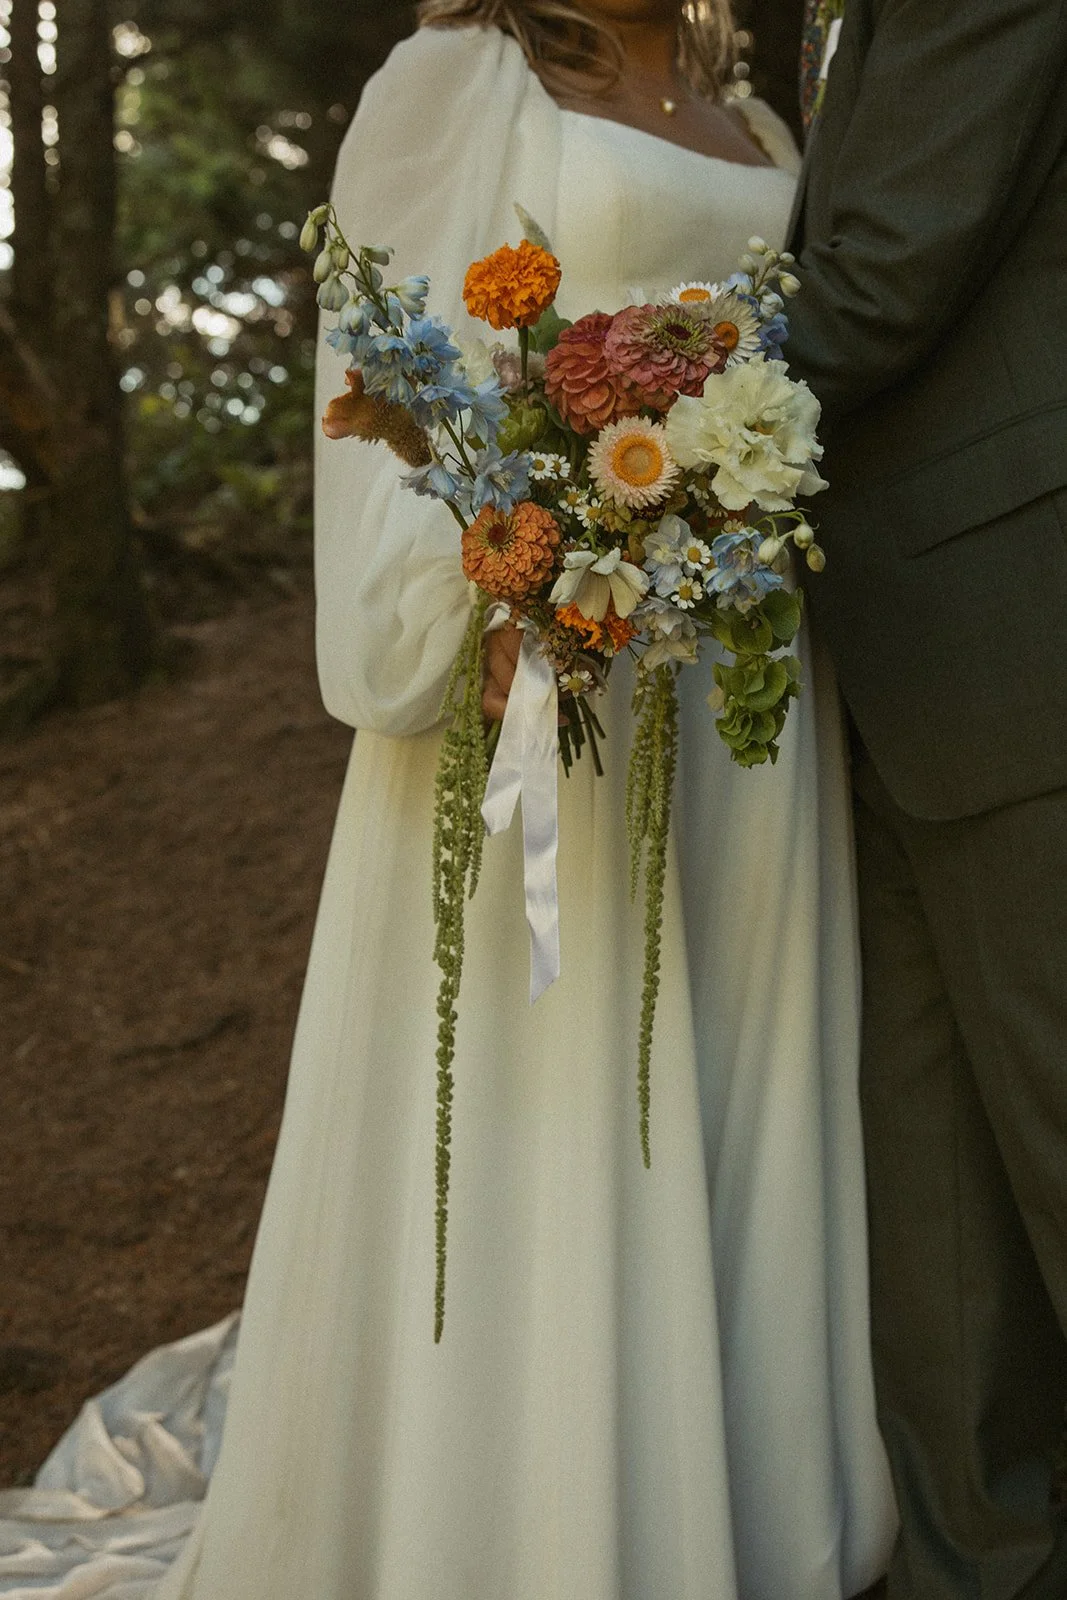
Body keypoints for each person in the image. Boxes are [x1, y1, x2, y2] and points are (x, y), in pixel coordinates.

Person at [0, 5, 896, 1598]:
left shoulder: (746, 105)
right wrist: (489, 612)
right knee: (553, 1098)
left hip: (746, 701)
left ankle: (722, 1506)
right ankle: (520, 1516)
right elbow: (385, 380)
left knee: (729, 1084)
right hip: (548, 673)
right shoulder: (461, 78)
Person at [783, 1, 1067, 1596]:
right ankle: (985, 1567)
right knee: (936, 1203)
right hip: (896, 653)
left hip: (1020, 634)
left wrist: (600, 409)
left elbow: (882, 276)